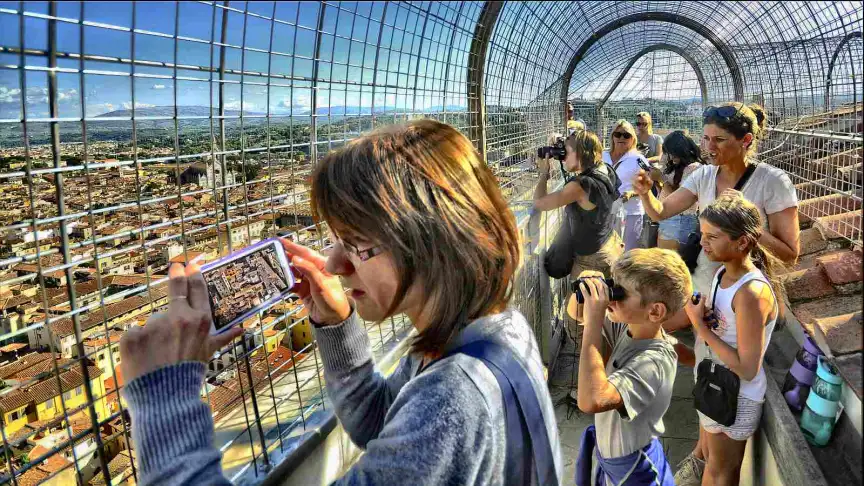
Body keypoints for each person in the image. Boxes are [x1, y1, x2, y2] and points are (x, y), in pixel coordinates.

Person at [119, 120, 563, 486]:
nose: (333, 264)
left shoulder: (454, 397)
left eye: (355, 244)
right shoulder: (487, 332)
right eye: (335, 241)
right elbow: (379, 424)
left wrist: (165, 396)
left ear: (430, 241)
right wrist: (337, 326)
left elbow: (423, 429)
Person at [631, 103, 799, 483]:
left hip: (743, 296)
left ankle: (709, 462)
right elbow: (660, 211)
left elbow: (790, 253)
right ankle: (702, 454)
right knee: (708, 382)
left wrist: (747, 223)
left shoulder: (772, 182)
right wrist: (645, 193)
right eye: (705, 138)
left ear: (746, 141)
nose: (709, 147)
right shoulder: (704, 176)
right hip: (711, 292)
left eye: (719, 140)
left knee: (727, 384)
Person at [677, 193, 785, 486]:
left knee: (722, 473)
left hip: (736, 395)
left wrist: (701, 326)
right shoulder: (722, 273)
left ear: (742, 242)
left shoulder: (751, 294)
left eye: (713, 237)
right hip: (717, 384)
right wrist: (708, 317)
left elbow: (748, 368)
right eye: (702, 234)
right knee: (712, 465)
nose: (702, 243)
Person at [567, 248, 691, 486]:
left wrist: (593, 322)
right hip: (615, 462)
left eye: (619, 292)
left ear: (654, 311)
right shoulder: (631, 327)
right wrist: (586, 287)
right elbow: (575, 312)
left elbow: (590, 400)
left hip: (636, 471)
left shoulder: (653, 362)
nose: (611, 297)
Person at [534, 129, 623, 279]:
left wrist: (544, 173)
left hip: (592, 261)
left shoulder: (581, 186)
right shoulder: (605, 169)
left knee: (579, 302)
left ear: (581, 153)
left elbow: (540, 203)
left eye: (566, 152)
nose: (562, 158)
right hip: (609, 245)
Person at [654, 131, 702, 251]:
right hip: (667, 218)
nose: (670, 156)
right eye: (668, 152)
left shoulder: (694, 168)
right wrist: (655, 181)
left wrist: (661, 179)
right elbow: (664, 194)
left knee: (672, 262)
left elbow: (679, 199)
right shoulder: (673, 167)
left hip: (680, 220)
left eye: (673, 153)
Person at [604, 120, 648, 251]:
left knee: (628, 252)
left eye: (626, 135)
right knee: (607, 251)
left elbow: (648, 184)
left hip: (631, 212)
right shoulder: (602, 156)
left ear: (632, 138)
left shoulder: (639, 159)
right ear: (612, 136)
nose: (621, 138)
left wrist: (631, 193)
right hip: (605, 212)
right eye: (617, 134)